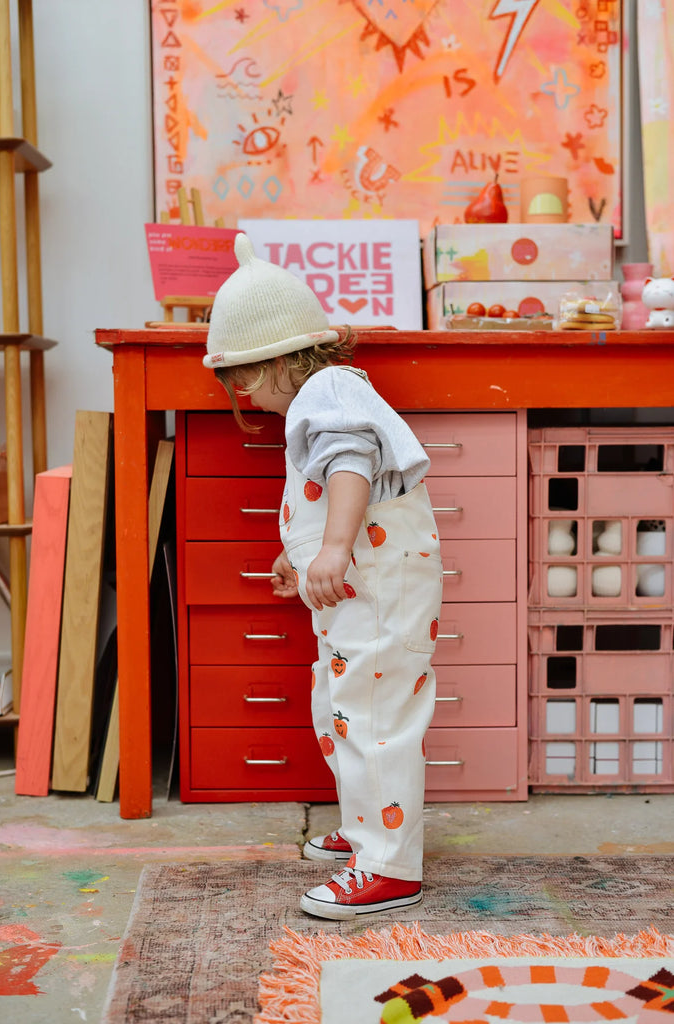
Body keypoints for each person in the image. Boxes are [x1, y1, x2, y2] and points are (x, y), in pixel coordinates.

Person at [204, 233, 443, 920]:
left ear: (280, 358)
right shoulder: (317, 396)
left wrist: (334, 547)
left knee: (372, 716)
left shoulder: (328, 388)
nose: (242, 392)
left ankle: (388, 865)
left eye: (244, 377)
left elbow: (348, 467)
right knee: (341, 710)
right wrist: (301, 551)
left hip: (377, 579)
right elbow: (317, 486)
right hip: (353, 589)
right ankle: (370, 829)